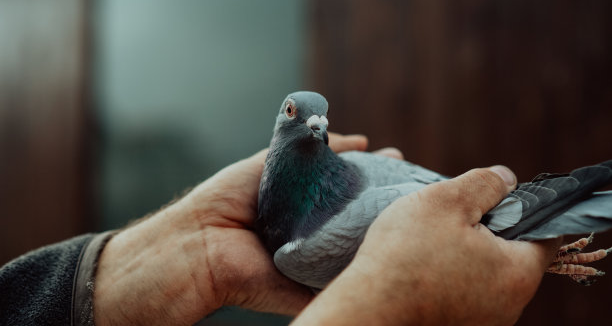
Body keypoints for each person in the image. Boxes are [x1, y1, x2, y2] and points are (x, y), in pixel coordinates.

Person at [0, 133, 559, 326]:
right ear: (283, 123)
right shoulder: (301, 251)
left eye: (320, 116)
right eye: (297, 114)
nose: (316, 124)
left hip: (465, 208)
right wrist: (378, 311)